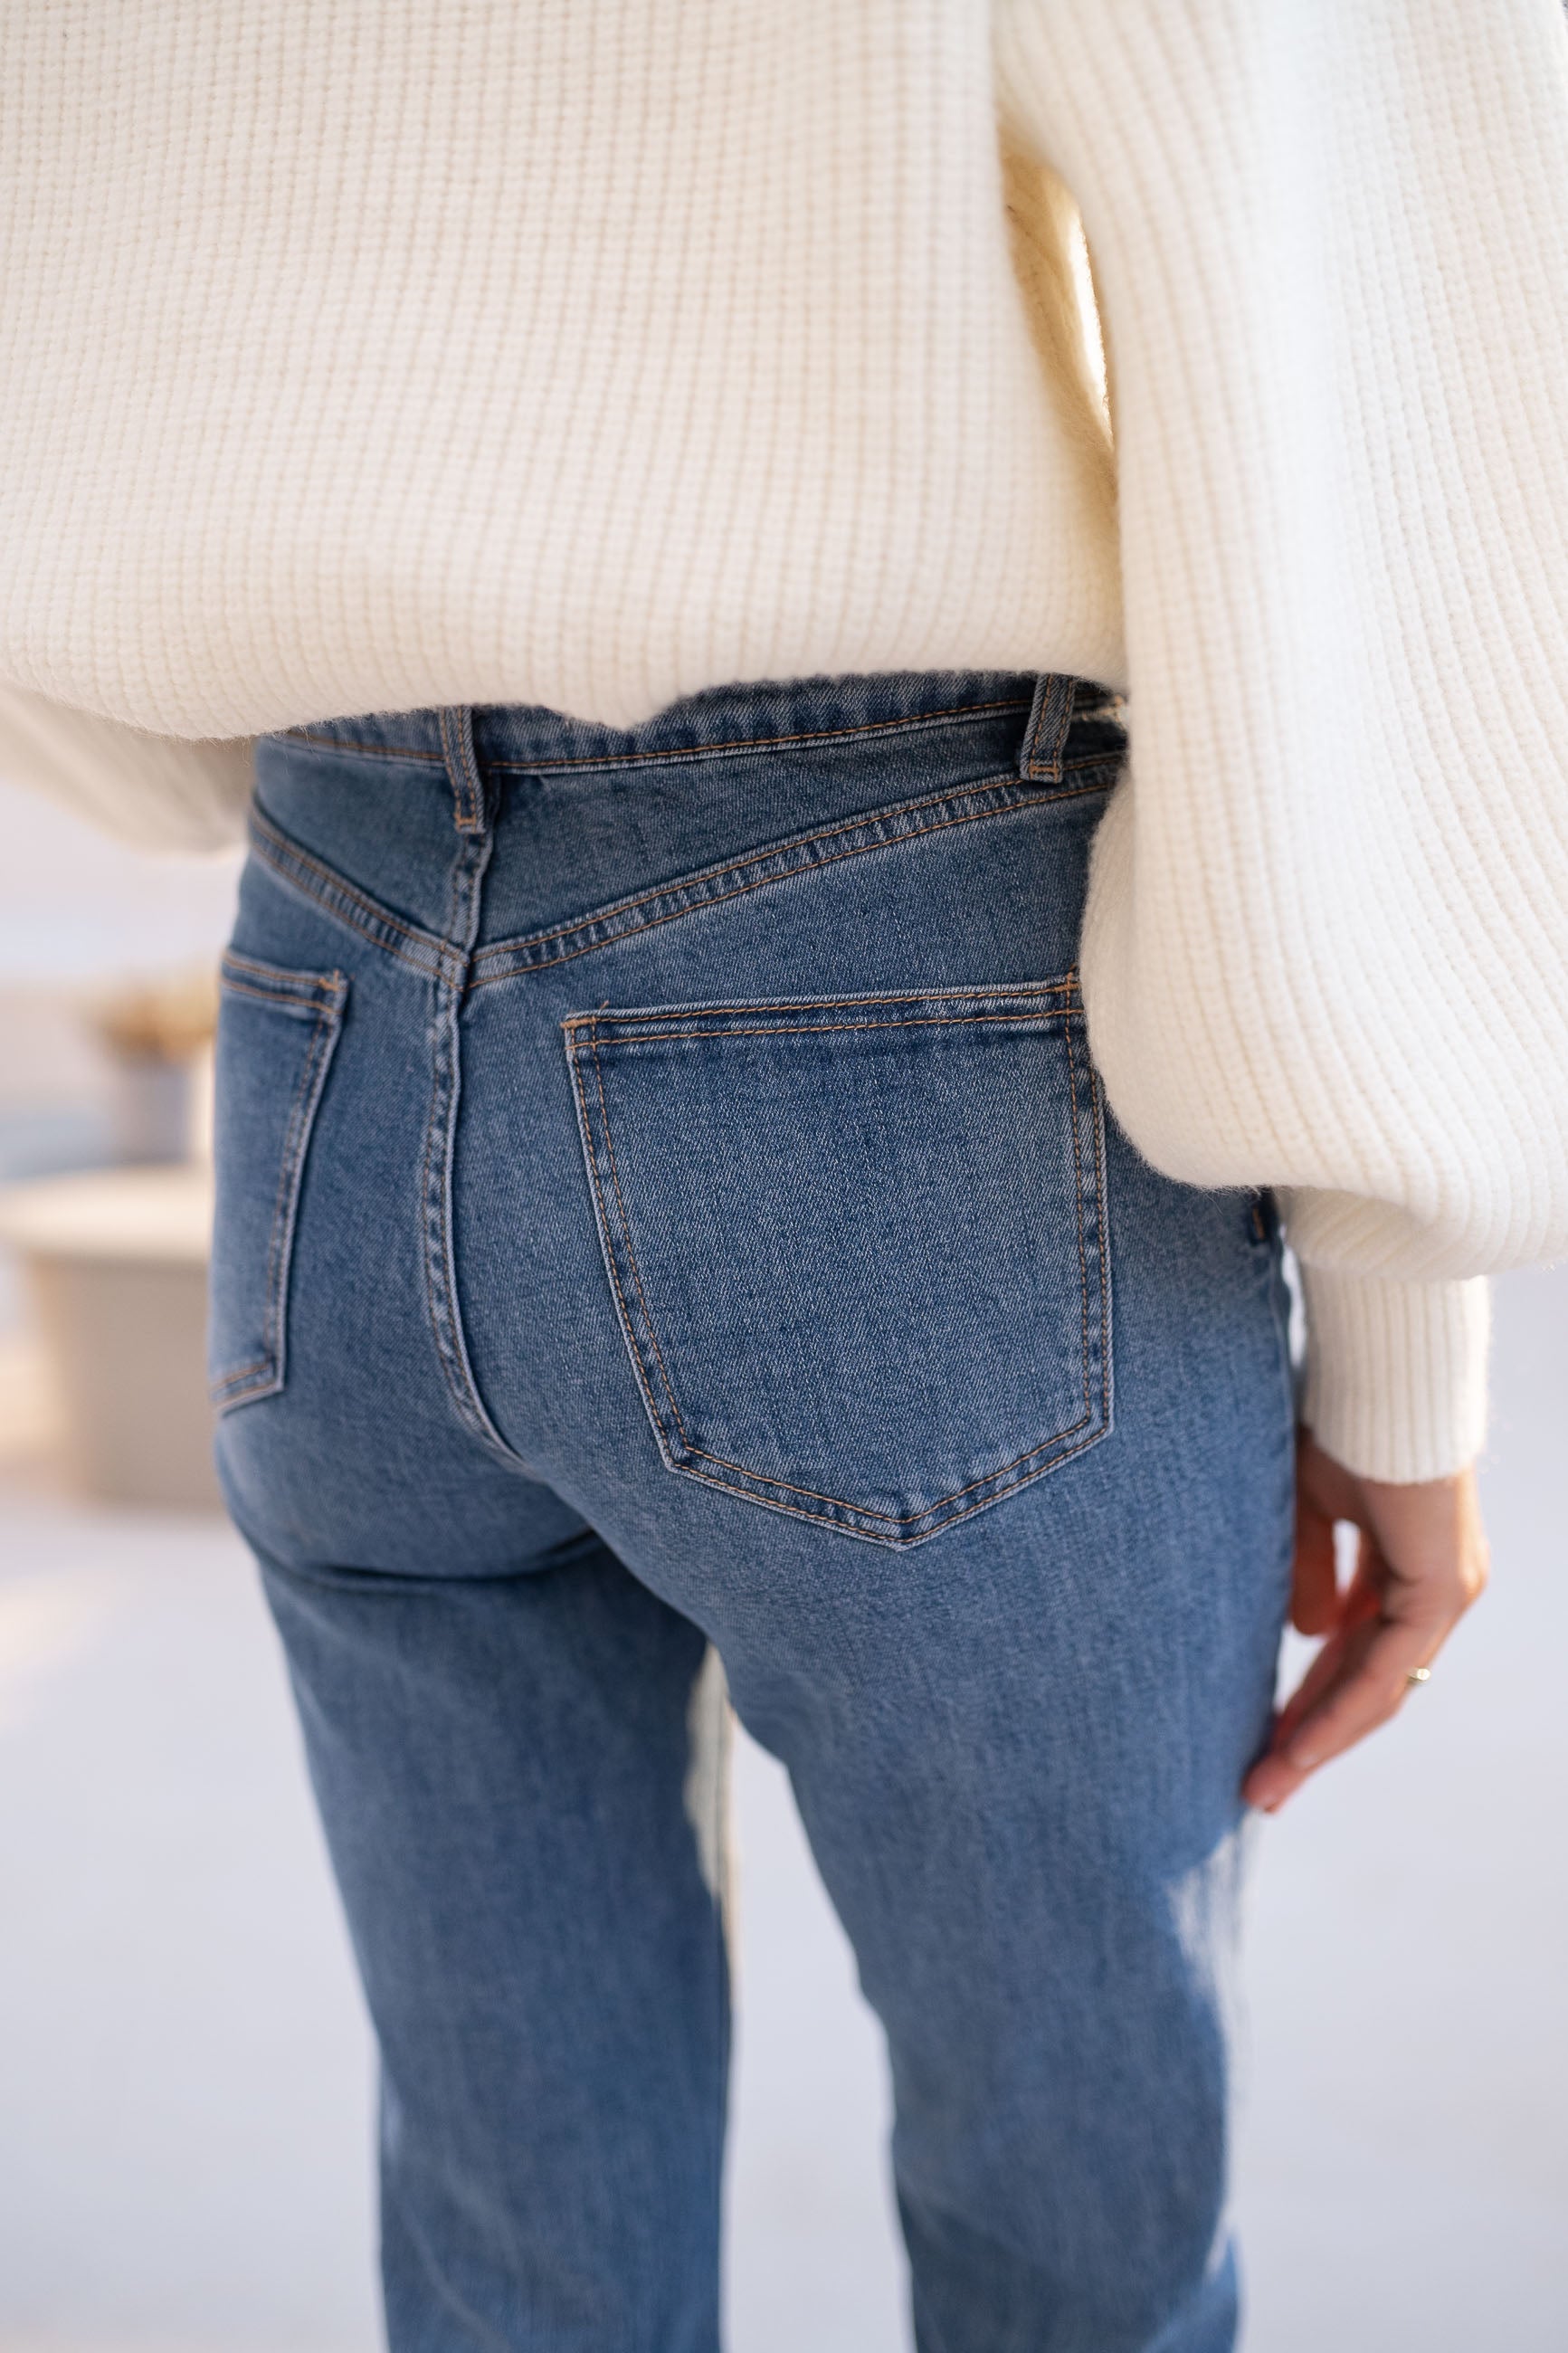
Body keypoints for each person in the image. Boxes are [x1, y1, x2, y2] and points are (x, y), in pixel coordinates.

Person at [3, 5, 1563, 2347]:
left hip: (326, 961)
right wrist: (1403, 1307)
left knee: (515, 2266)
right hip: (896, 979)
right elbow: (1361, 283)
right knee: (1082, 2261)